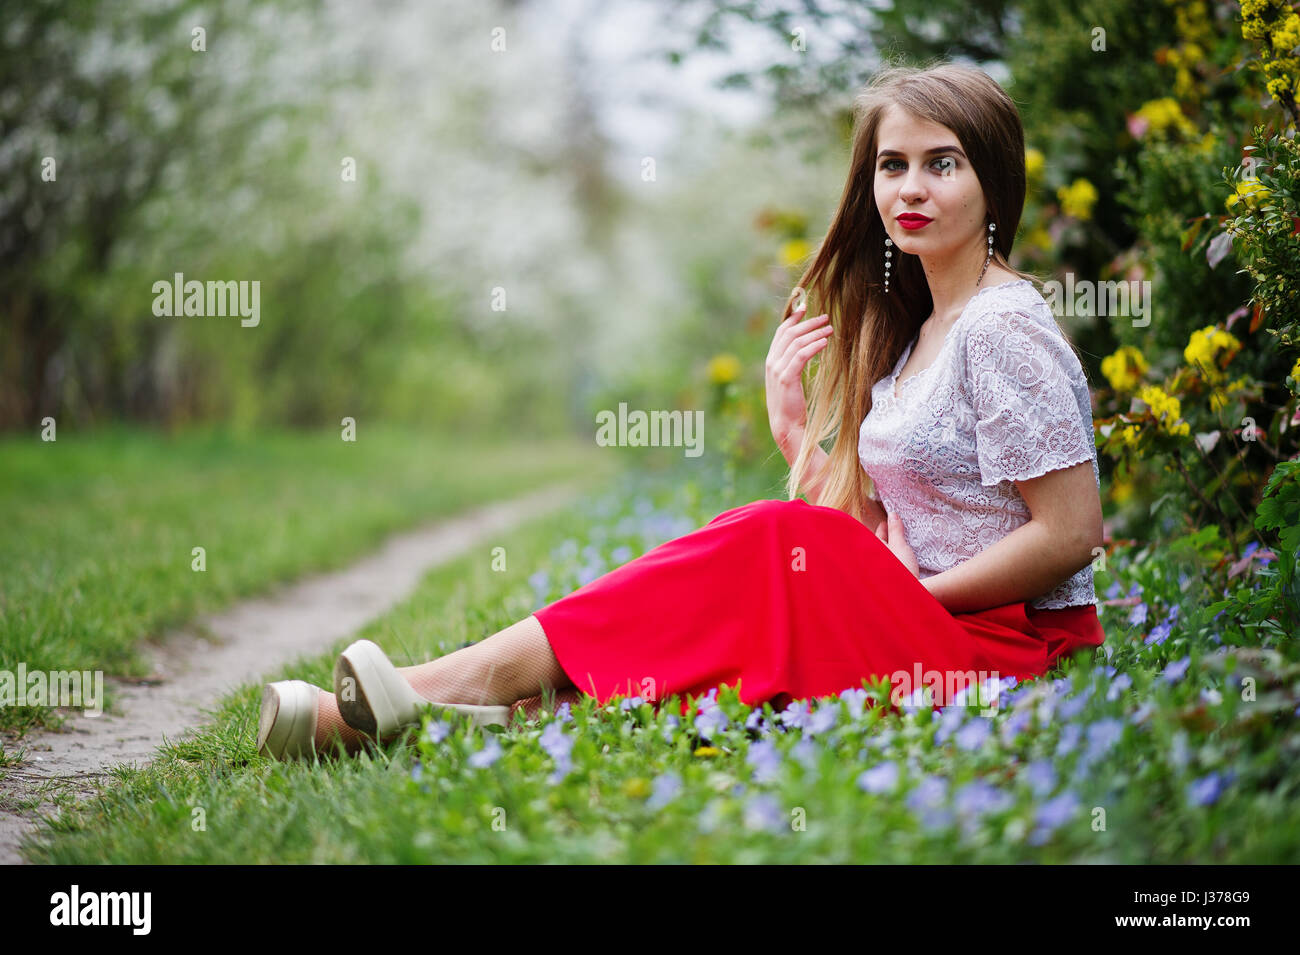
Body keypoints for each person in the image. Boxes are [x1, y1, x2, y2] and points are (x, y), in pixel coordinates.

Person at [256, 61, 1107, 761]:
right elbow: (873, 540)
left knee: (772, 539)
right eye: (893, 165)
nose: (910, 187)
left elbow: (1070, 533)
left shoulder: (1000, 328)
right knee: (762, 564)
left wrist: (922, 598)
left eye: (941, 163)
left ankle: (445, 684)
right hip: (926, 629)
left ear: (992, 182)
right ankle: (432, 712)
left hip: (1002, 657)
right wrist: (792, 427)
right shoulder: (920, 331)